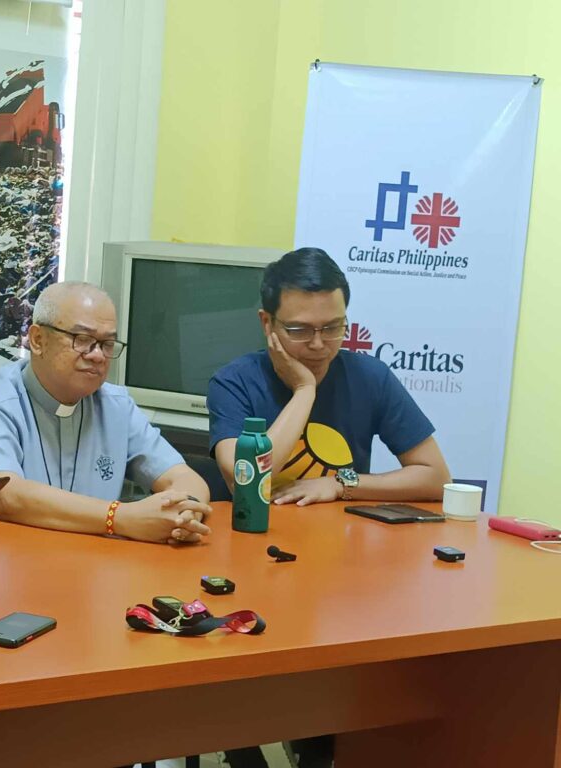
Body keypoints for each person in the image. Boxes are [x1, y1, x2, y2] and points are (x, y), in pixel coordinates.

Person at [208, 247, 451, 768]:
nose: (319, 344)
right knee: (236, 701)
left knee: (344, 710)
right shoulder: (235, 381)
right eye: (299, 330)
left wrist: (343, 484)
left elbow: (435, 476)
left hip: (338, 577)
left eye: (333, 327)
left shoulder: (370, 376)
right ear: (267, 324)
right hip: (251, 571)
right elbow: (246, 477)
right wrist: (304, 391)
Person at [0, 281, 211, 544]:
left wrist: (185, 514)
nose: (98, 356)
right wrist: (120, 517)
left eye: (107, 343)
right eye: (83, 340)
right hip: (8, 560)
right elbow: (8, 496)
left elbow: (183, 477)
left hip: (93, 563)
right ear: (38, 340)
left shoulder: (116, 406)